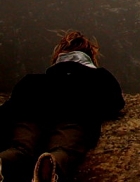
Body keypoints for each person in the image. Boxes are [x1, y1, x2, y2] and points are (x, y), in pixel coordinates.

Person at [0, 31, 125, 182]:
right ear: (90, 56)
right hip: (72, 116)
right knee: (63, 149)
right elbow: (115, 102)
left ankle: (4, 161)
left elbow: (11, 108)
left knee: (20, 149)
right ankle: (51, 166)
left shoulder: (33, 80)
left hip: (30, 114)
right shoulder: (98, 76)